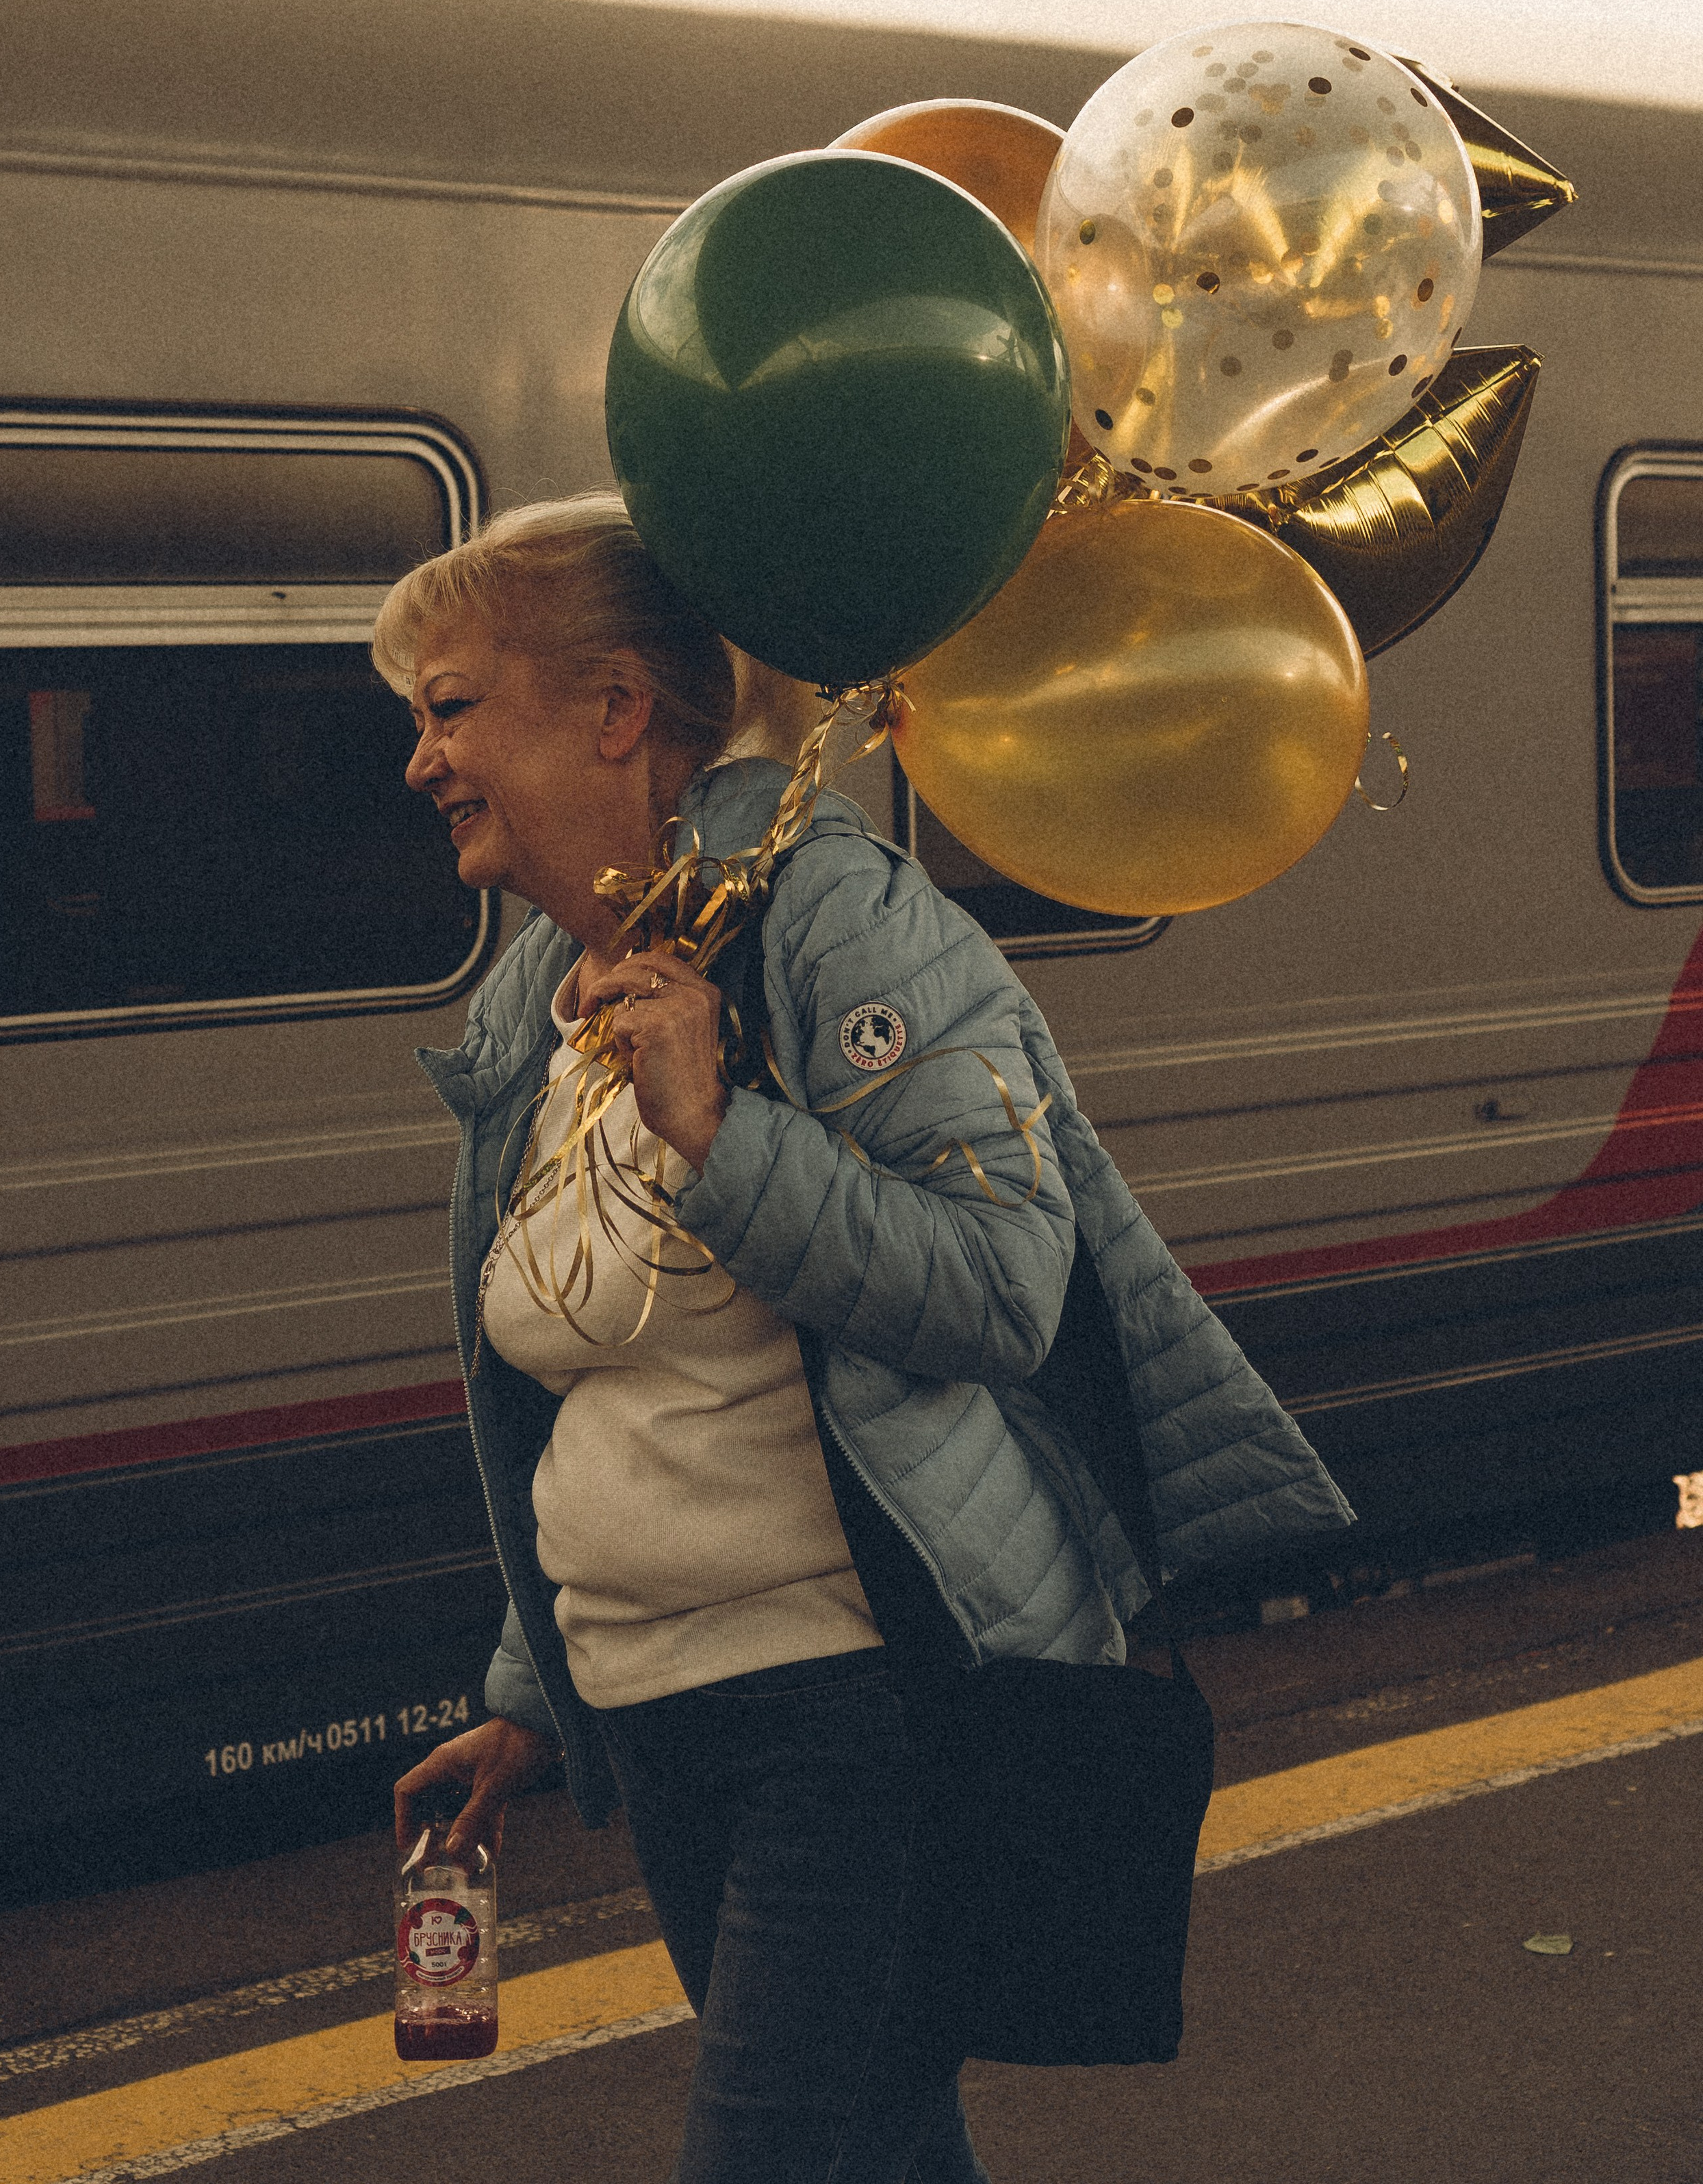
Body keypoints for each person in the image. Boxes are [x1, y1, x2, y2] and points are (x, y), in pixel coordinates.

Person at [379, 492, 1353, 2184]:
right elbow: (608, 1392)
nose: (420, 762)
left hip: (862, 1709)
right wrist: (532, 1692)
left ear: (615, 711)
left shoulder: (840, 924)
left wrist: (728, 1134)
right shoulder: (525, 1001)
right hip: (662, 1722)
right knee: (883, 2150)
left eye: (451, 709)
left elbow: (998, 1285)